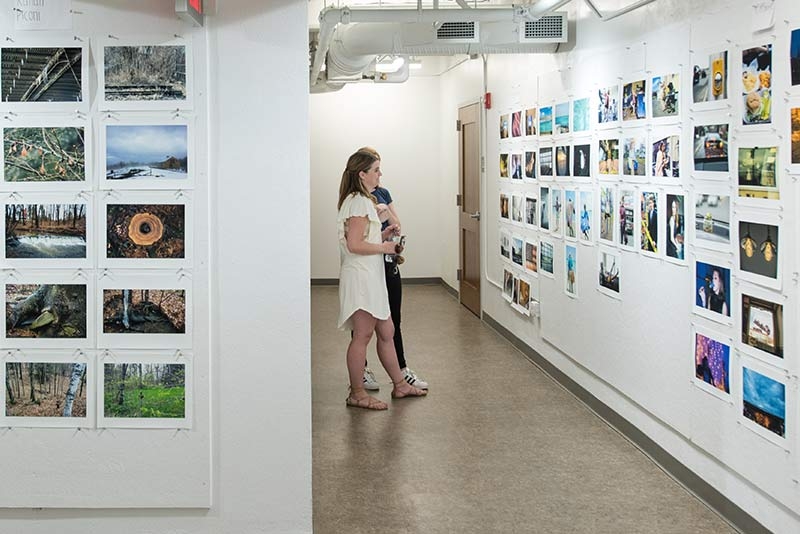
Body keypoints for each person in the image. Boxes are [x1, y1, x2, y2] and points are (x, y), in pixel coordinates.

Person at [337, 150, 427, 410]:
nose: (380, 174)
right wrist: (385, 248)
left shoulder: (362, 200)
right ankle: (357, 393)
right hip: (361, 277)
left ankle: (400, 384)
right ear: (362, 174)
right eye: (376, 170)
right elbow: (354, 244)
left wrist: (384, 232)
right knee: (363, 335)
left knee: (386, 331)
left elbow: (363, 236)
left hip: (371, 275)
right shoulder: (358, 202)